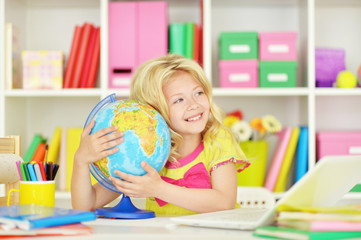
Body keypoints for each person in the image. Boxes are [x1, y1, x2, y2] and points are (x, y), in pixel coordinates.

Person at [71, 54, 250, 215]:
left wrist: (159, 189)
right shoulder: (146, 152)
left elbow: (224, 202)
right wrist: (80, 161)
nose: (194, 104)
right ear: (154, 111)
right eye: (178, 99)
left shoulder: (218, 139)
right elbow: (85, 207)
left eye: (199, 93)